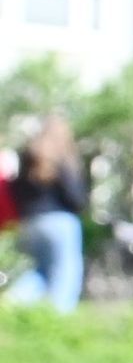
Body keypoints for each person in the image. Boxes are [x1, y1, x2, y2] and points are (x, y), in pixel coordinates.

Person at [11, 117, 83, 310]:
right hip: (60, 221)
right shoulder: (62, 158)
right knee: (65, 272)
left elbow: (16, 190)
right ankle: (58, 316)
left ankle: (12, 302)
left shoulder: (28, 159)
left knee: (38, 271)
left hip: (31, 223)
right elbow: (75, 196)